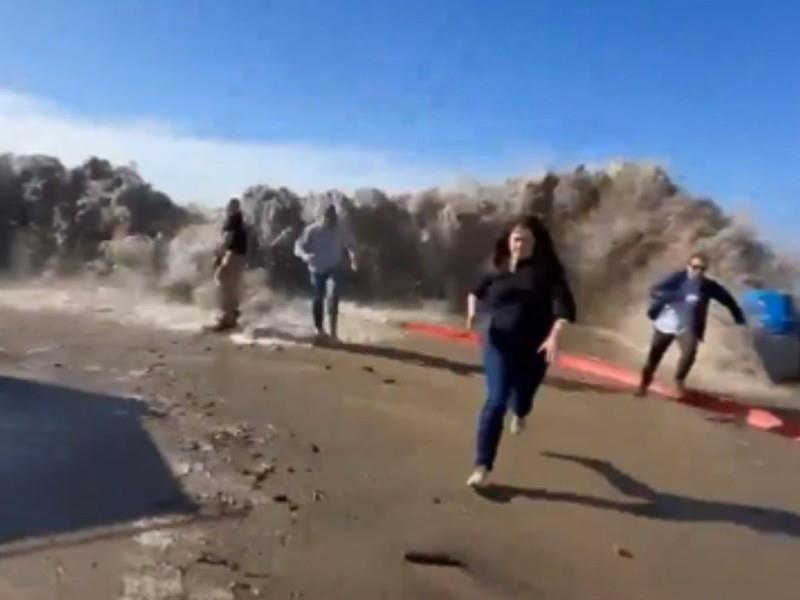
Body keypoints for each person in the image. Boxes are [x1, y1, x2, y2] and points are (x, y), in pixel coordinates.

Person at [465, 215, 576, 488]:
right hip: (498, 344)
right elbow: (474, 291)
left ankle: (521, 412)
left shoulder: (547, 273)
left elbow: (564, 309)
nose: (520, 245)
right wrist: (471, 313)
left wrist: (554, 337)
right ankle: (482, 466)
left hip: (535, 348)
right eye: (516, 239)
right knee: (496, 401)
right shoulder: (495, 266)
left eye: (526, 240)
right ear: (508, 240)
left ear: (536, 243)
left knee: (522, 399)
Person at [637, 252, 746, 397]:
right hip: (666, 324)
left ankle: (678, 381)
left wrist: (738, 315)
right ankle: (643, 385)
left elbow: (727, 299)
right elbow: (655, 291)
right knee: (653, 358)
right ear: (688, 267)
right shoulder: (677, 279)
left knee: (690, 353)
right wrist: (678, 295)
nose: (698, 272)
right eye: (695, 267)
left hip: (687, 326)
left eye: (702, 269)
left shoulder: (707, 286)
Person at [294, 204, 357, 340]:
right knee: (318, 297)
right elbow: (298, 246)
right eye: (329, 217)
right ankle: (319, 329)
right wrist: (305, 255)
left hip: (334, 267)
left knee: (334, 296)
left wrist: (353, 258)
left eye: (334, 217)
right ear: (323, 217)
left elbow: (351, 245)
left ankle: (334, 333)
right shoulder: (312, 230)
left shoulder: (340, 229)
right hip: (316, 268)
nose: (332, 220)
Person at [212, 198, 248, 331]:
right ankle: (232, 312)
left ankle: (227, 317)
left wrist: (219, 254)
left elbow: (228, 238)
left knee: (223, 282)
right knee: (231, 285)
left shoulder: (233, 220)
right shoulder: (241, 221)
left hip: (232, 255)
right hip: (240, 256)